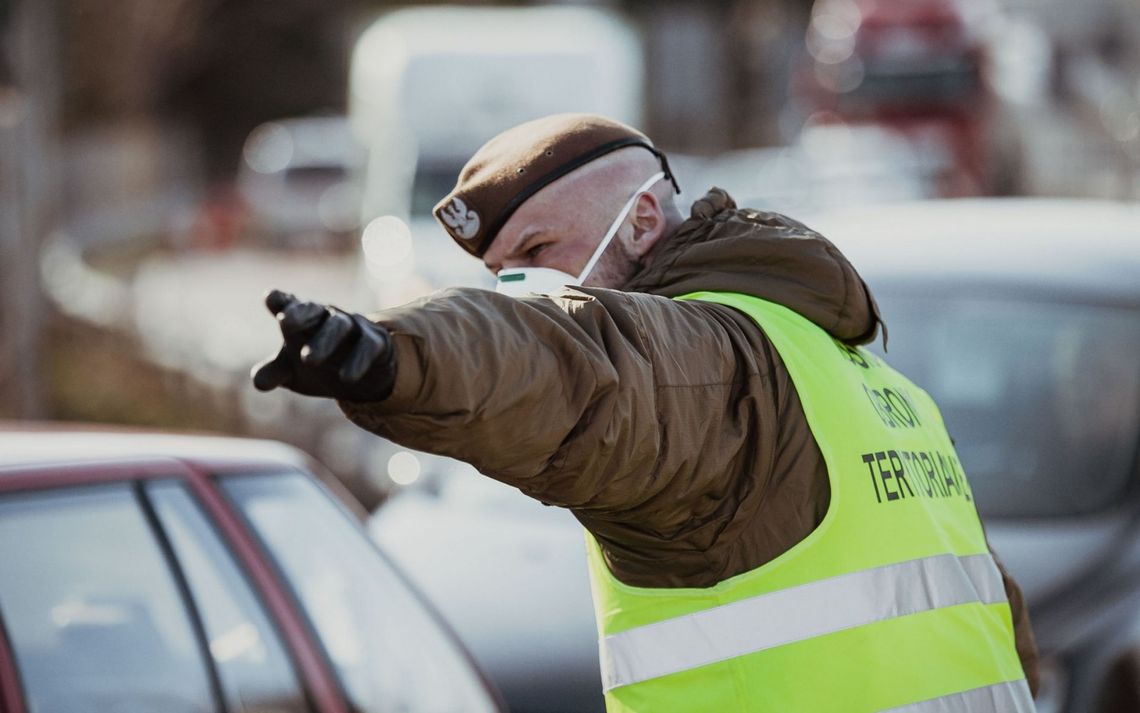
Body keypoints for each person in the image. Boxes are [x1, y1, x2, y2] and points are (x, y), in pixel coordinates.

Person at [253, 113, 1038, 712]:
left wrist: (398, 358)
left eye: (535, 252)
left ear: (641, 221)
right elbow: (1002, 633)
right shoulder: (877, 385)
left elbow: (582, 370)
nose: (517, 289)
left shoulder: (717, 363)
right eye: (499, 274)